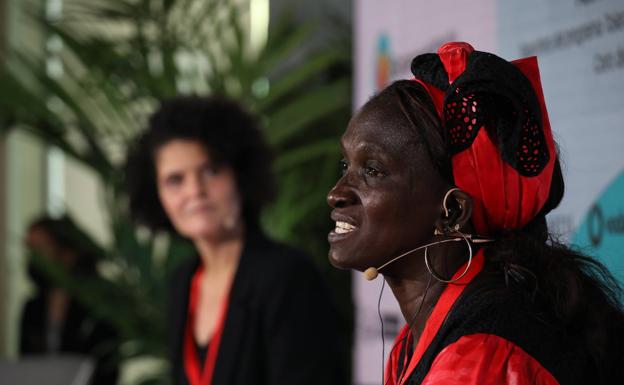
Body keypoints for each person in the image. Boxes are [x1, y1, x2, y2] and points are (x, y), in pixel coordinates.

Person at [327, 42, 624, 385]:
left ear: (452, 211)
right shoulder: (421, 339)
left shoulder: (481, 356)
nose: (335, 193)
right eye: (346, 165)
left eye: (373, 170)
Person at [125, 96, 347, 385]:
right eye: (175, 180)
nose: (195, 191)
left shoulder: (286, 275)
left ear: (240, 176)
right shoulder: (182, 283)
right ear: (156, 195)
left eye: (210, 170)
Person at [20, 215, 119, 385]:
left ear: (67, 251)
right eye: (31, 249)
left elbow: (107, 367)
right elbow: (24, 366)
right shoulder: (32, 308)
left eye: (41, 248)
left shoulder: (100, 304)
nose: (34, 258)